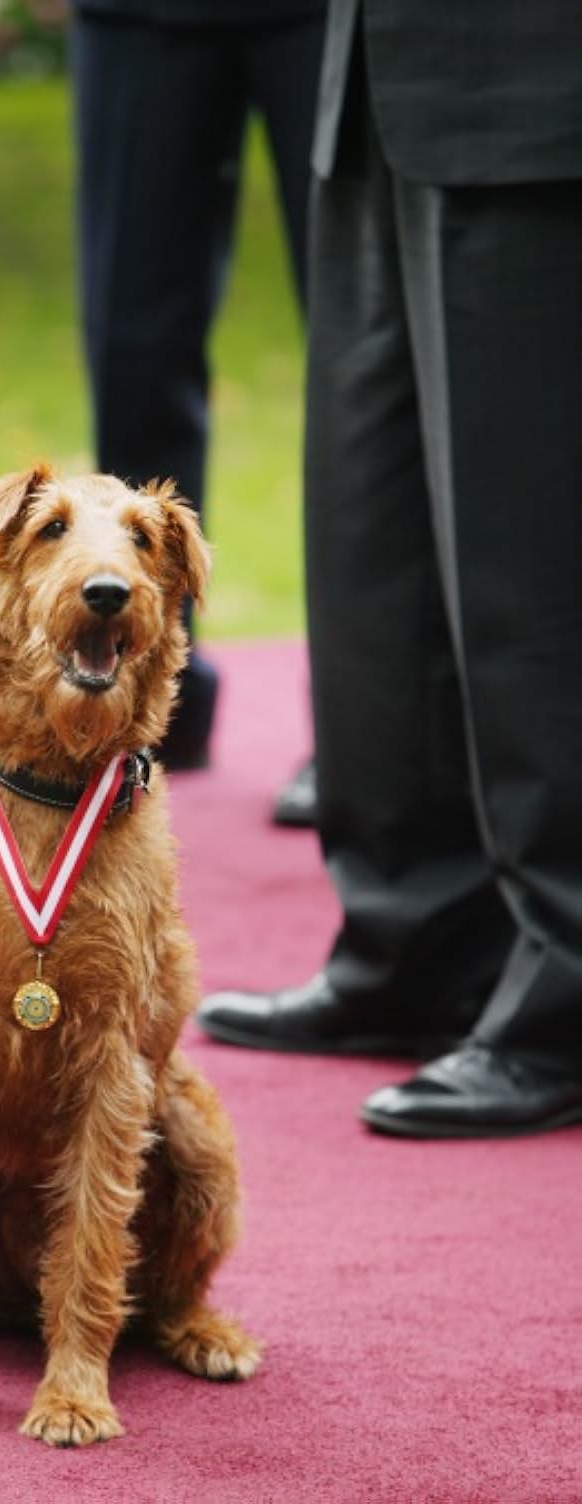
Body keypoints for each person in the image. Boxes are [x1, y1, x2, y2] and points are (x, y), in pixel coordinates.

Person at [199, 0, 582, 1139]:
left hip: (535, 91)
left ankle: (567, 989)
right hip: (378, 71)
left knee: (526, 564)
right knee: (375, 547)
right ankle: (419, 943)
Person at [69, 0, 325, 807]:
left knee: (362, 353)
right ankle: (140, 702)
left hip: (334, 18)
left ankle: (370, 732)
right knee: (133, 351)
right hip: (139, 16)